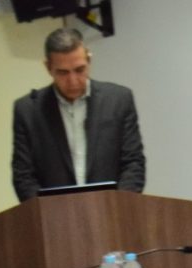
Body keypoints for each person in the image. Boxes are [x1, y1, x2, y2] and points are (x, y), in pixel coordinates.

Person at [11, 27, 145, 201]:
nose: (73, 81)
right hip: (54, 214)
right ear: (48, 67)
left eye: (80, 70)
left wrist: (118, 206)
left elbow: (133, 163)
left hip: (113, 209)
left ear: (89, 60)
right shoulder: (28, 111)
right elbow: (23, 176)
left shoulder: (119, 100)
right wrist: (47, 213)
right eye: (63, 72)